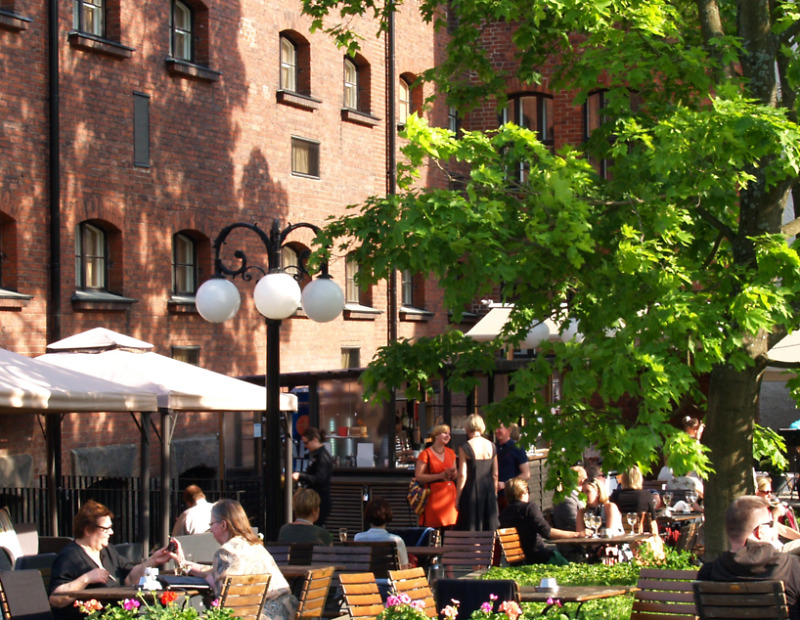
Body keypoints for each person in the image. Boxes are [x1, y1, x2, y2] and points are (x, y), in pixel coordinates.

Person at [48, 500, 177, 620]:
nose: (111, 532)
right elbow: (55, 598)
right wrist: (86, 579)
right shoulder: (69, 556)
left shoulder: (107, 550)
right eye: (106, 529)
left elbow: (130, 578)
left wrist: (153, 560)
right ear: (88, 530)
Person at [180, 499, 297, 620]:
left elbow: (224, 601)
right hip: (287, 612)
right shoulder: (255, 546)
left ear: (223, 525)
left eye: (211, 525)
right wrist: (183, 563)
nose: (211, 530)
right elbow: (218, 573)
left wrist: (212, 582)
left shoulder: (226, 552)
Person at [698, 495, 800, 619]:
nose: (776, 529)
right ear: (760, 530)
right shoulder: (792, 567)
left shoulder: (708, 572)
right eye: (772, 523)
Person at [499, 477, 580, 564]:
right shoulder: (529, 508)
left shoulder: (503, 514)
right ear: (524, 492)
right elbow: (546, 532)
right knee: (563, 562)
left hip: (517, 563)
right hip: (539, 558)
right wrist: (575, 534)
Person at [455, 414, 499, 531]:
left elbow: (462, 475)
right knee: (488, 527)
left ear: (467, 427)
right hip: (488, 489)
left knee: (470, 527)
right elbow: (495, 474)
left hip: (471, 490)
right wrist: (494, 493)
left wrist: (458, 497)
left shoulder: (465, 447)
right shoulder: (492, 446)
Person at [414, 424, 458, 528]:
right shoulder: (425, 454)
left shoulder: (451, 453)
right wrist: (439, 476)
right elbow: (419, 476)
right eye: (444, 433)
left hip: (449, 496)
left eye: (449, 434)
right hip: (433, 496)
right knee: (433, 528)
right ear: (436, 435)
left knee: (449, 528)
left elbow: (455, 476)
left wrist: (453, 472)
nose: (448, 436)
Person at [292, 427, 333, 527]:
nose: (305, 446)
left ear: (315, 440)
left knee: (314, 526)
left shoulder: (322, 456)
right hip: (317, 498)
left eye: (306, 443)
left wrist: (301, 476)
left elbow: (319, 479)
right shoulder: (317, 455)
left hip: (320, 499)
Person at [354, 497, 411, 568]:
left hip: (366, 578)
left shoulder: (358, 538)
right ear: (387, 515)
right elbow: (404, 567)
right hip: (390, 578)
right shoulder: (397, 540)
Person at [610, 466, 658, 533]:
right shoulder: (647, 495)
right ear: (640, 479)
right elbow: (653, 520)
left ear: (623, 479)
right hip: (642, 536)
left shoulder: (615, 496)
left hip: (620, 535)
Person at [495, 422, 530, 511]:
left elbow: (526, 474)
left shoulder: (517, 448)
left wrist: (506, 484)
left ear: (509, 430)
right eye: (495, 428)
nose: (496, 431)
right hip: (495, 497)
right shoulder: (492, 448)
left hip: (512, 497)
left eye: (499, 428)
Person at [552, 465, 588, 531]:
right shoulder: (567, 500)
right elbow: (575, 523)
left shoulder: (576, 496)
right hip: (573, 538)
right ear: (582, 481)